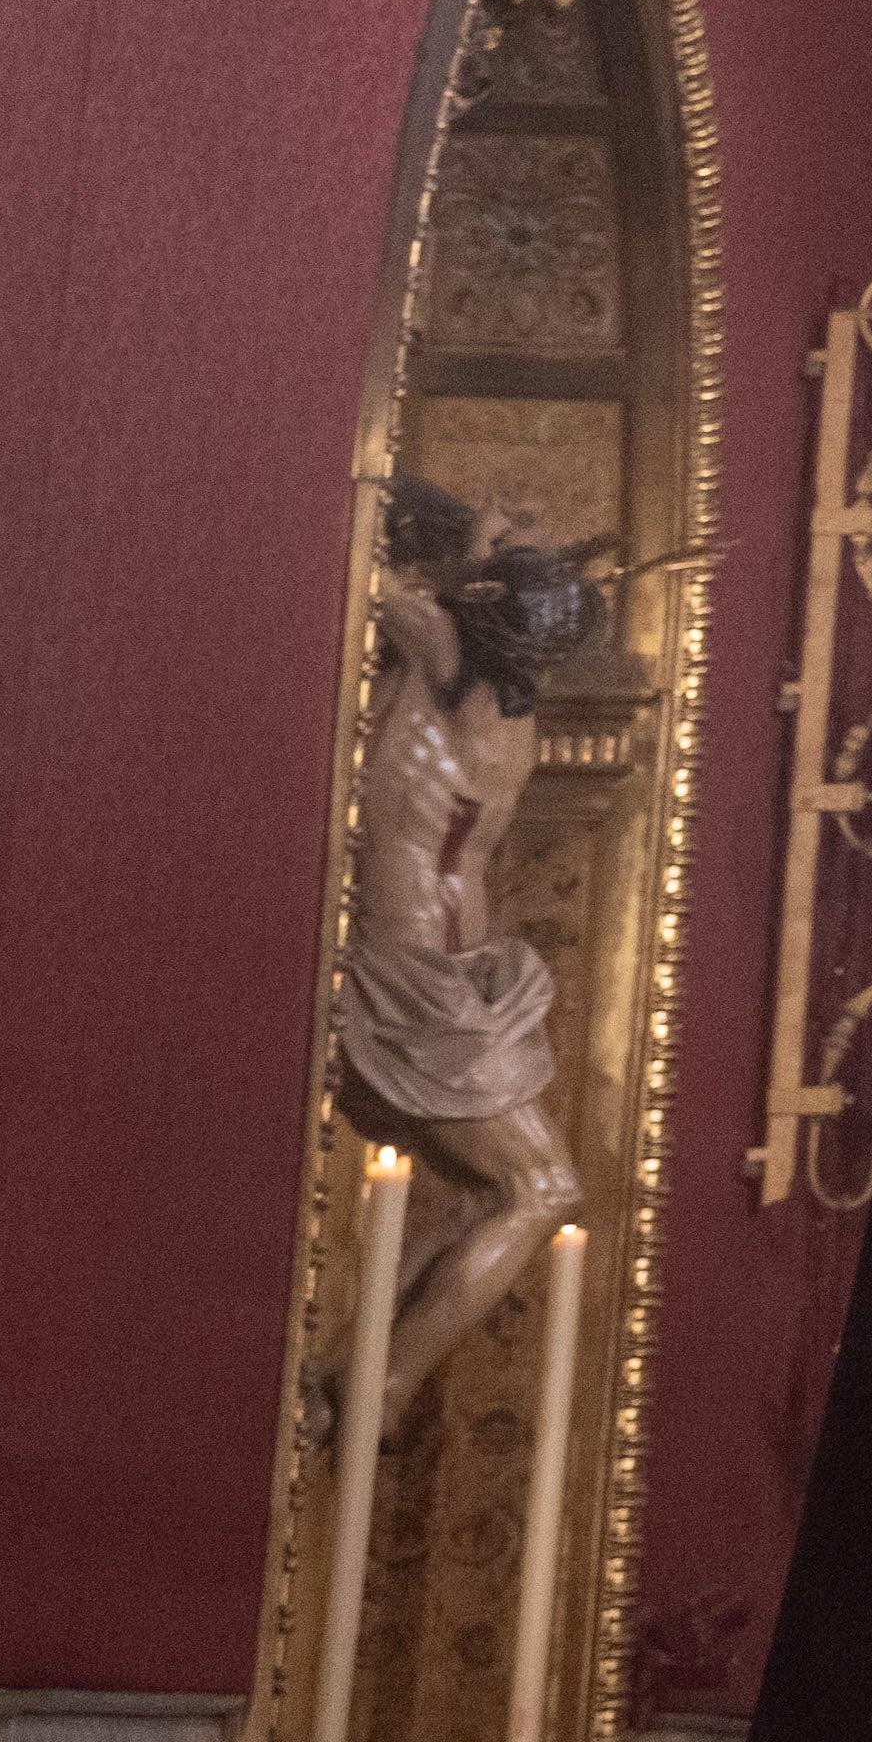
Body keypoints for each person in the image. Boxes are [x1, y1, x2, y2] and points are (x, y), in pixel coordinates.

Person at [338, 488, 605, 1420]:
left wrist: (482, 546)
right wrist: (498, 559)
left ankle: (378, 1377)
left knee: (531, 1187)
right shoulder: (510, 711)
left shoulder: (448, 655)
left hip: (421, 964)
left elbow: (360, 572)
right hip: (426, 960)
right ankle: (372, 1374)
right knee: (524, 1188)